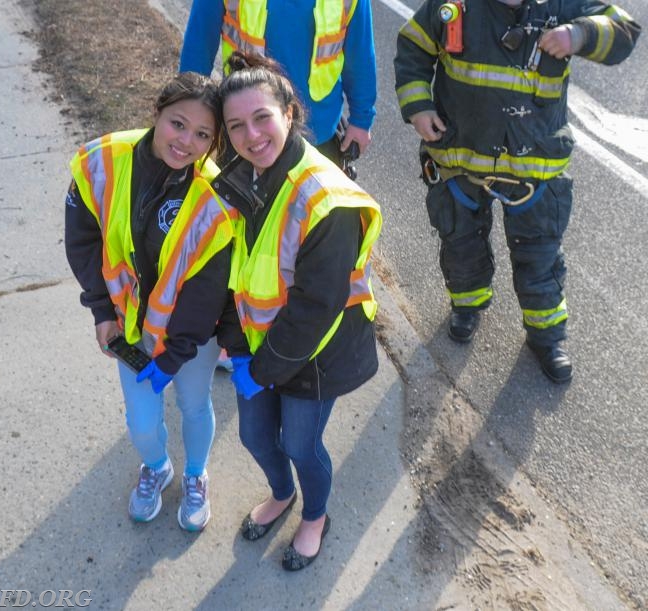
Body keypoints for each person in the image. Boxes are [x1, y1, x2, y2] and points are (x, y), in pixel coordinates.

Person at [393, 0, 640, 383]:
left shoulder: (565, 5)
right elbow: (413, 48)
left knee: (539, 256)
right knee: (460, 242)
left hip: (534, 168)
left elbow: (625, 31)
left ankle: (546, 336)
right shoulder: (453, 6)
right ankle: (467, 306)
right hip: (460, 158)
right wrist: (418, 107)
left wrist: (579, 34)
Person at [213, 51, 382, 570]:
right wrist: (235, 339)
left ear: (290, 112)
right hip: (260, 344)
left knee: (301, 443)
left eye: (262, 117)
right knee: (255, 435)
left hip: (314, 353)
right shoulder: (244, 173)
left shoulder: (325, 198)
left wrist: (261, 367)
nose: (251, 135)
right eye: (235, 125)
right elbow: (236, 261)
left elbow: (317, 305)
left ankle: (315, 517)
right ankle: (281, 493)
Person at [64, 72, 236, 532]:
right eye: (177, 124)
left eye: (203, 135)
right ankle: (157, 467)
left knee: (195, 406)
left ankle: (196, 474)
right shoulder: (103, 160)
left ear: (215, 141)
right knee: (141, 424)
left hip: (191, 338)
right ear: (156, 113)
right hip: (129, 330)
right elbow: (82, 242)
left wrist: (176, 355)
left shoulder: (216, 198)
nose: (186, 142)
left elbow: (208, 292)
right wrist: (101, 311)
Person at [179, 0, 377, 165]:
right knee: (239, 212)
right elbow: (199, 43)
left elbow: (360, 55)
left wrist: (361, 119)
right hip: (247, 132)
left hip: (316, 134)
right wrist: (190, 108)